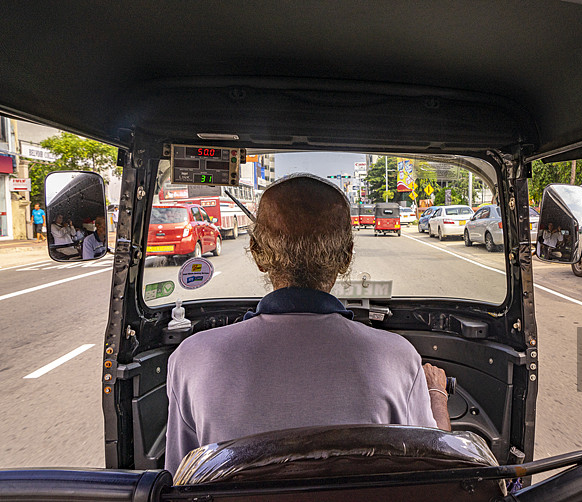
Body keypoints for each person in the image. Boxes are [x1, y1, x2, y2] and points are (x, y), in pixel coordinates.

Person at [165, 174, 450, 474]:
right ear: (346, 258)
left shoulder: (192, 358)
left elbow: (180, 481)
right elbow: (439, 467)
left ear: (257, 254)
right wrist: (436, 396)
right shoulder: (398, 357)